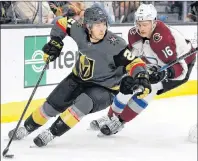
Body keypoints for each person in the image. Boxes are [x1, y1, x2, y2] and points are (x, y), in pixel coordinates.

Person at [8, 7, 151, 147]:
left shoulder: (115, 44)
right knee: (51, 106)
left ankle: (52, 133)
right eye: (97, 25)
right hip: (78, 78)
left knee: (83, 102)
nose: (102, 29)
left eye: (103, 24)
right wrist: (55, 41)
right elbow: (61, 22)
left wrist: (141, 76)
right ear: (87, 26)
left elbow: (134, 62)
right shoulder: (79, 30)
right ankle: (26, 128)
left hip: (105, 88)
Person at [90, 3, 196, 136]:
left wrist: (165, 73)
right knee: (127, 84)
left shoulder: (163, 39)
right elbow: (132, 57)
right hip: (154, 64)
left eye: (145, 24)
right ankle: (110, 117)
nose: (141, 28)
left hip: (181, 67)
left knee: (150, 88)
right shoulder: (134, 34)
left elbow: (180, 69)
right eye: (139, 24)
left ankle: (120, 122)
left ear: (154, 22)